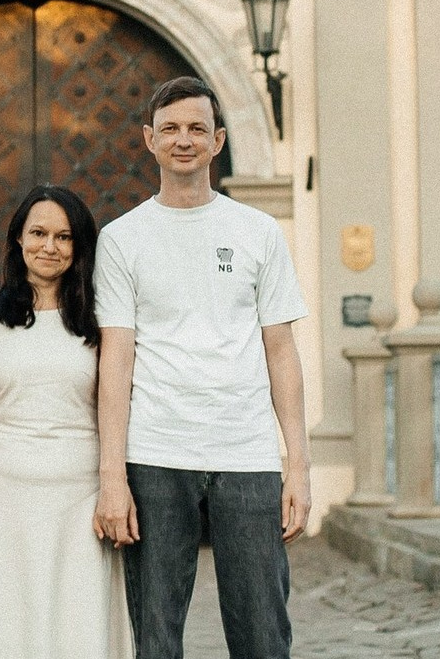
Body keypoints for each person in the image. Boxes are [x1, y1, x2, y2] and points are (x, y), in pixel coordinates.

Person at [93, 75, 311, 659]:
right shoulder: (121, 240)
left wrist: (298, 465)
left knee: (263, 631)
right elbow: (116, 360)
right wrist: (112, 476)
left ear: (218, 140)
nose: (182, 140)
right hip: (156, 452)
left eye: (195, 128)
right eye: (170, 129)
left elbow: (281, 352)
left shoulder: (258, 232)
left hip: (247, 453)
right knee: (156, 635)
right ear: (149, 140)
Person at [0, 185, 133, 659]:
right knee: (4, 624)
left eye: (63, 236)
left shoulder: (101, 321)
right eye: (38, 233)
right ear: (17, 240)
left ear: (79, 247)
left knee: (79, 624)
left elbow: (114, 407)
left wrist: (115, 487)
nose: (49, 246)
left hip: (80, 498)